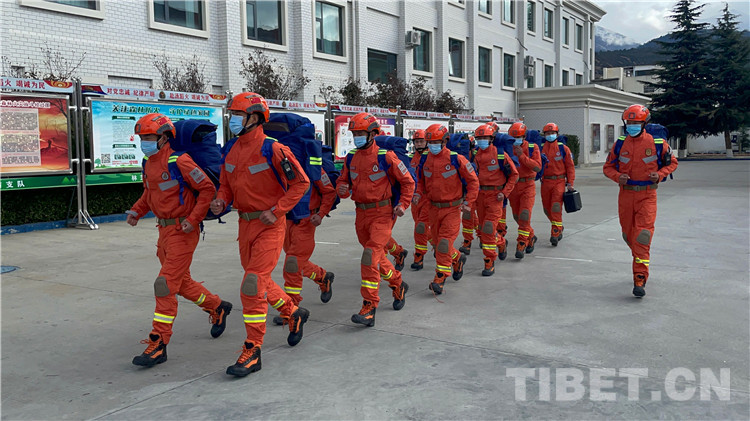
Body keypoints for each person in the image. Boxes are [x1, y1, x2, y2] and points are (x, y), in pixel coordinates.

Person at [210, 92, 311, 377]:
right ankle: (293, 313)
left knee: (252, 284)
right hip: (245, 225)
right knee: (260, 280)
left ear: (254, 117)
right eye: (232, 114)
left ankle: (253, 349)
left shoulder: (274, 149)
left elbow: (300, 183)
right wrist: (221, 201)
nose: (233, 120)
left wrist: (277, 211)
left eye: (237, 115)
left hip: (269, 225)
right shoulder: (231, 148)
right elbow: (225, 184)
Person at [127, 113, 232, 368]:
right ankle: (217, 306)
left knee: (164, 284)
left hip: (183, 231)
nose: (144, 142)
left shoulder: (180, 161)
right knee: (181, 283)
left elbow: (207, 189)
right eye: (142, 137)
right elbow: (150, 193)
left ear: (164, 137)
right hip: (163, 231)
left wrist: (193, 220)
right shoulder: (148, 162)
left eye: (149, 137)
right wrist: (136, 211)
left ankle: (158, 342)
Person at [337, 112, 414, 327]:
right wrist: (341, 188)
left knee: (369, 255)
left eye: (360, 133)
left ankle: (369, 306)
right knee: (377, 257)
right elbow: (343, 181)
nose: (357, 137)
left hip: (382, 213)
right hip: (361, 213)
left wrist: (403, 204)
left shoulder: (386, 157)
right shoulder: (351, 157)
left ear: (373, 133)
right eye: (354, 134)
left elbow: (408, 182)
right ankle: (398, 283)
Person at [603, 104, 678, 297]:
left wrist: (660, 175)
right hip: (626, 196)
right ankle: (639, 257)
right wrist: (617, 177)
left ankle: (640, 277)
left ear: (645, 123)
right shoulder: (620, 144)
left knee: (642, 236)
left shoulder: (657, 143)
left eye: (636, 123)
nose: (632, 126)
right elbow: (608, 167)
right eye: (629, 123)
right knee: (629, 235)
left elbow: (673, 163)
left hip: (647, 195)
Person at [414, 124, 479, 295]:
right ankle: (457, 259)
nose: (432, 145)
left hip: (452, 208)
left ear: (444, 141)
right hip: (433, 208)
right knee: (437, 244)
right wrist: (418, 193)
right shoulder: (424, 159)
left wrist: (468, 202)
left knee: (443, 243)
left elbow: (473, 181)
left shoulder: (457, 159)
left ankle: (440, 277)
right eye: (430, 142)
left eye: (436, 142)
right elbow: (420, 180)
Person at [272, 165, 337, 325]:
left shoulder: (313, 166)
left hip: (307, 220)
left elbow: (329, 191)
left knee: (292, 263)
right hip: (285, 220)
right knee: (295, 260)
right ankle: (323, 277)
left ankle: (291, 308)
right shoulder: (278, 163)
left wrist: (321, 214)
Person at [473, 124, 519, 276]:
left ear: (491, 138)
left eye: (485, 138)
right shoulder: (476, 155)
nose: (482, 141)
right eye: (479, 138)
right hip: (480, 196)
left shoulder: (500, 155)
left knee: (488, 228)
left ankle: (489, 261)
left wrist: (505, 193)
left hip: (495, 196)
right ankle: (501, 242)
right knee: (483, 229)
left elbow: (514, 175)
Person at [507, 122, 542, 259]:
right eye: (513, 137)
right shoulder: (507, 148)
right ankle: (531, 235)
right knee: (517, 216)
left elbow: (537, 167)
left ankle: (521, 243)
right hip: (513, 185)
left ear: (524, 136)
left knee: (524, 214)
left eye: (518, 137)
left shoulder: (533, 148)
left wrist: (522, 156)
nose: (516, 140)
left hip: (528, 184)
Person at [540, 122, 576, 246]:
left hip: (559, 181)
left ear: (557, 134)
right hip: (545, 182)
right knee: (546, 209)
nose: (550, 135)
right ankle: (559, 226)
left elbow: (570, 167)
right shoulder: (540, 148)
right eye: (548, 133)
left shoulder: (563, 149)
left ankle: (555, 233)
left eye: (553, 133)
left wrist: (570, 182)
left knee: (556, 207)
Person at [409, 129, 432, 270]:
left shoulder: (431, 157)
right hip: (415, 198)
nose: (418, 144)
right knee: (420, 227)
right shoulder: (411, 158)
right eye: (416, 142)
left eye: (421, 141)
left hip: (428, 198)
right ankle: (438, 245)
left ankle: (419, 255)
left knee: (420, 227)